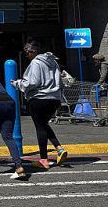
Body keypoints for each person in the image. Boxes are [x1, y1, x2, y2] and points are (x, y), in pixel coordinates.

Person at [11, 40, 68, 169]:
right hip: (54, 99)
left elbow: (32, 82)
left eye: (27, 53)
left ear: (33, 51)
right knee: (43, 124)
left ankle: (43, 159)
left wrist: (17, 84)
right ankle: (59, 148)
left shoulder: (36, 63)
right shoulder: (53, 62)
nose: (27, 56)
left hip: (39, 98)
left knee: (40, 127)